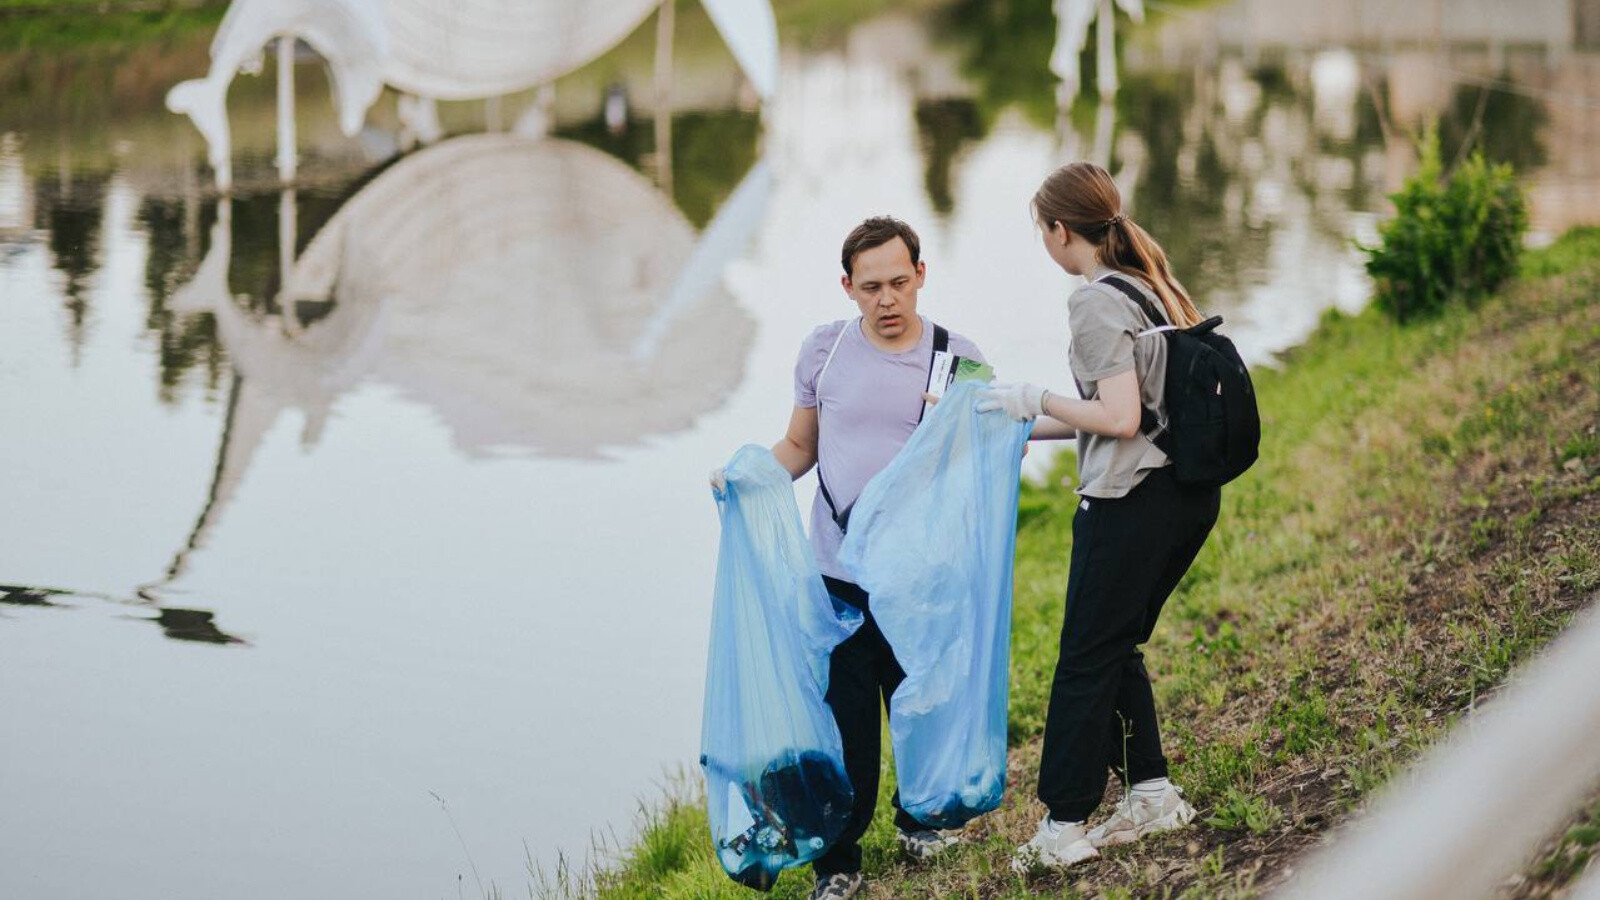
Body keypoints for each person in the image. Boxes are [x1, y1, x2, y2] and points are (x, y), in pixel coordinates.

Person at [711, 216, 986, 900]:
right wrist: (749, 477)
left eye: (899, 282)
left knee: (920, 707)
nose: (887, 300)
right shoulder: (824, 352)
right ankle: (839, 864)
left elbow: (976, 466)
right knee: (845, 724)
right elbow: (800, 448)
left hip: (919, 581)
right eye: (870, 287)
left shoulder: (958, 357)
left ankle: (918, 820)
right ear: (848, 287)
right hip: (835, 580)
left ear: (921, 275)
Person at [977, 162, 1221, 872]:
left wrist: (1039, 397)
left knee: (1085, 658)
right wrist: (1015, 422)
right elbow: (1137, 416)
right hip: (1183, 496)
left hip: (1129, 506)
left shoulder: (1093, 302)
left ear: (1060, 231)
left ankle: (1062, 827)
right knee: (1113, 647)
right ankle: (1150, 794)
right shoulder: (1150, 283)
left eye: (1041, 232)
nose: (1044, 244)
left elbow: (1118, 417)